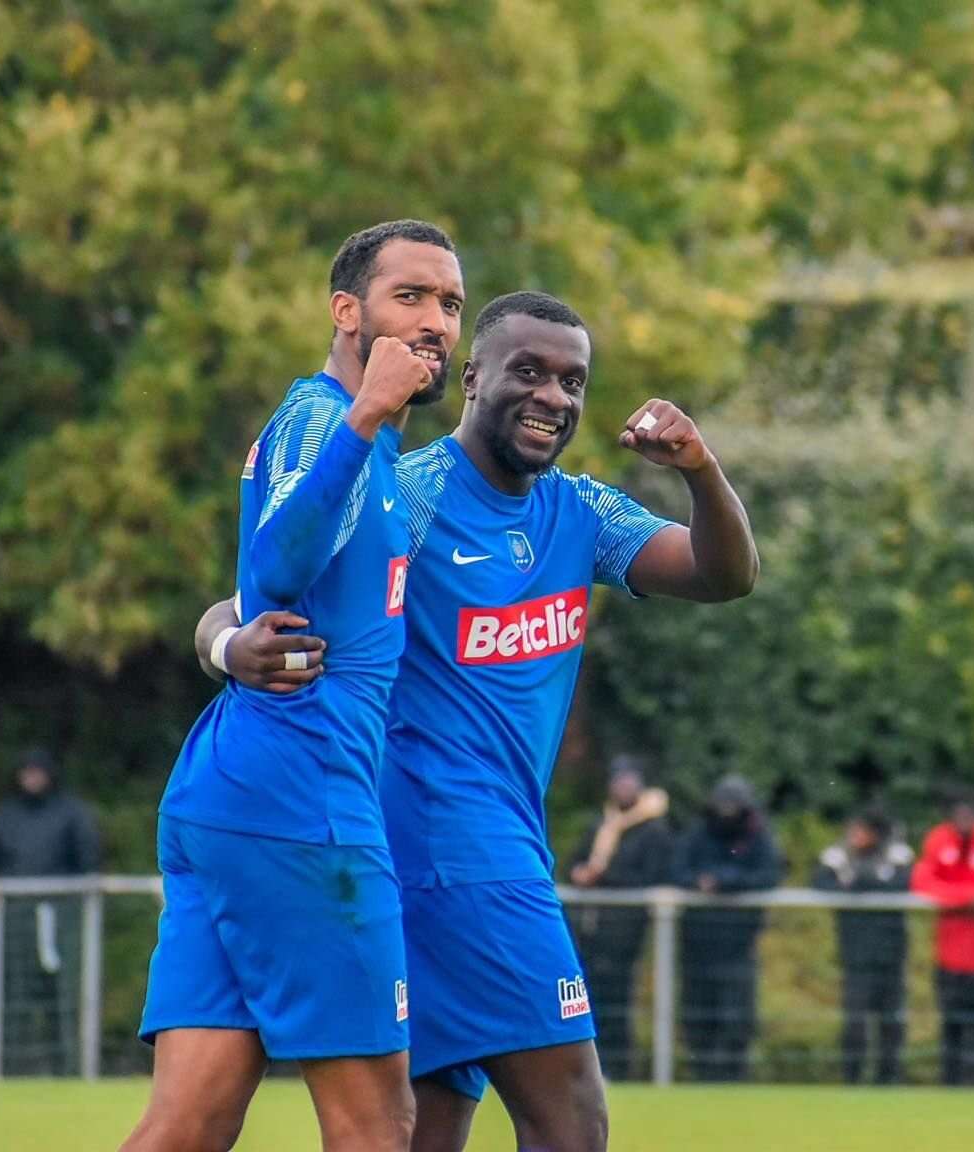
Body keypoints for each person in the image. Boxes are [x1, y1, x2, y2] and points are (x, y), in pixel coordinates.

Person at [207, 289, 758, 1152]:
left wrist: (697, 466)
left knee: (424, 1134)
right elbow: (250, 600)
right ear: (471, 376)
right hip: (449, 852)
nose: (552, 397)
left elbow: (723, 574)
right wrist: (226, 643)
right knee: (572, 1119)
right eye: (528, 372)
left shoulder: (581, 513)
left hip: (480, 849)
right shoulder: (412, 496)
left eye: (572, 382)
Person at [123, 220, 461, 1152]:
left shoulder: (372, 447)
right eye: (411, 297)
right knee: (380, 1123)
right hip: (304, 809)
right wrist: (365, 416)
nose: (436, 321)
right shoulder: (329, 418)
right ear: (346, 311)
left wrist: (222, 643)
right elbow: (273, 573)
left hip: (231, 796)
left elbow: (252, 600)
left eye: (450, 304)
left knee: (188, 1122)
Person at [0, 746, 101, 1075]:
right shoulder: (6, 815)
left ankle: (70, 1066)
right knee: (14, 993)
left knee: (63, 995)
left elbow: (88, 862)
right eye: (26, 772)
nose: (31, 779)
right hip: (14, 919)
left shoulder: (71, 814)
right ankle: (11, 1067)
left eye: (37, 772)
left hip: (60, 918)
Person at [566, 756, 676, 1081]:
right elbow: (574, 861)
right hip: (592, 927)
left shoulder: (654, 830)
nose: (624, 786)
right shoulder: (601, 824)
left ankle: (619, 1065)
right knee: (591, 996)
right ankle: (591, 1066)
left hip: (626, 929)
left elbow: (653, 874)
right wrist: (579, 872)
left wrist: (603, 875)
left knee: (619, 996)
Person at [674, 774, 781, 1083]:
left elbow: (768, 875)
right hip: (698, 942)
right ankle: (701, 1074)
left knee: (737, 1015)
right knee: (697, 1012)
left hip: (739, 943)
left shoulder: (757, 835)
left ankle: (734, 1075)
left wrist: (725, 881)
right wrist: (699, 882)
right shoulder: (698, 833)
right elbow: (678, 870)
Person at [911, 791, 974, 1086]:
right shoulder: (939, 840)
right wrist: (967, 898)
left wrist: (970, 896)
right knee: (951, 1025)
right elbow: (923, 883)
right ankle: (950, 1084)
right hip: (949, 955)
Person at [811, 807, 913, 1084]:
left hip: (891, 951)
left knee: (891, 1021)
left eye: (861, 830)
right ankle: (852, 1077)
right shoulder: (839, 855)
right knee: (855, 1021)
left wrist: (859, 885)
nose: (855, 835)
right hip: (855, 951)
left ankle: (888, 1077)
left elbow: (904, 886)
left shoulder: (897, 855)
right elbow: (820, 884)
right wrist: (859, 887)